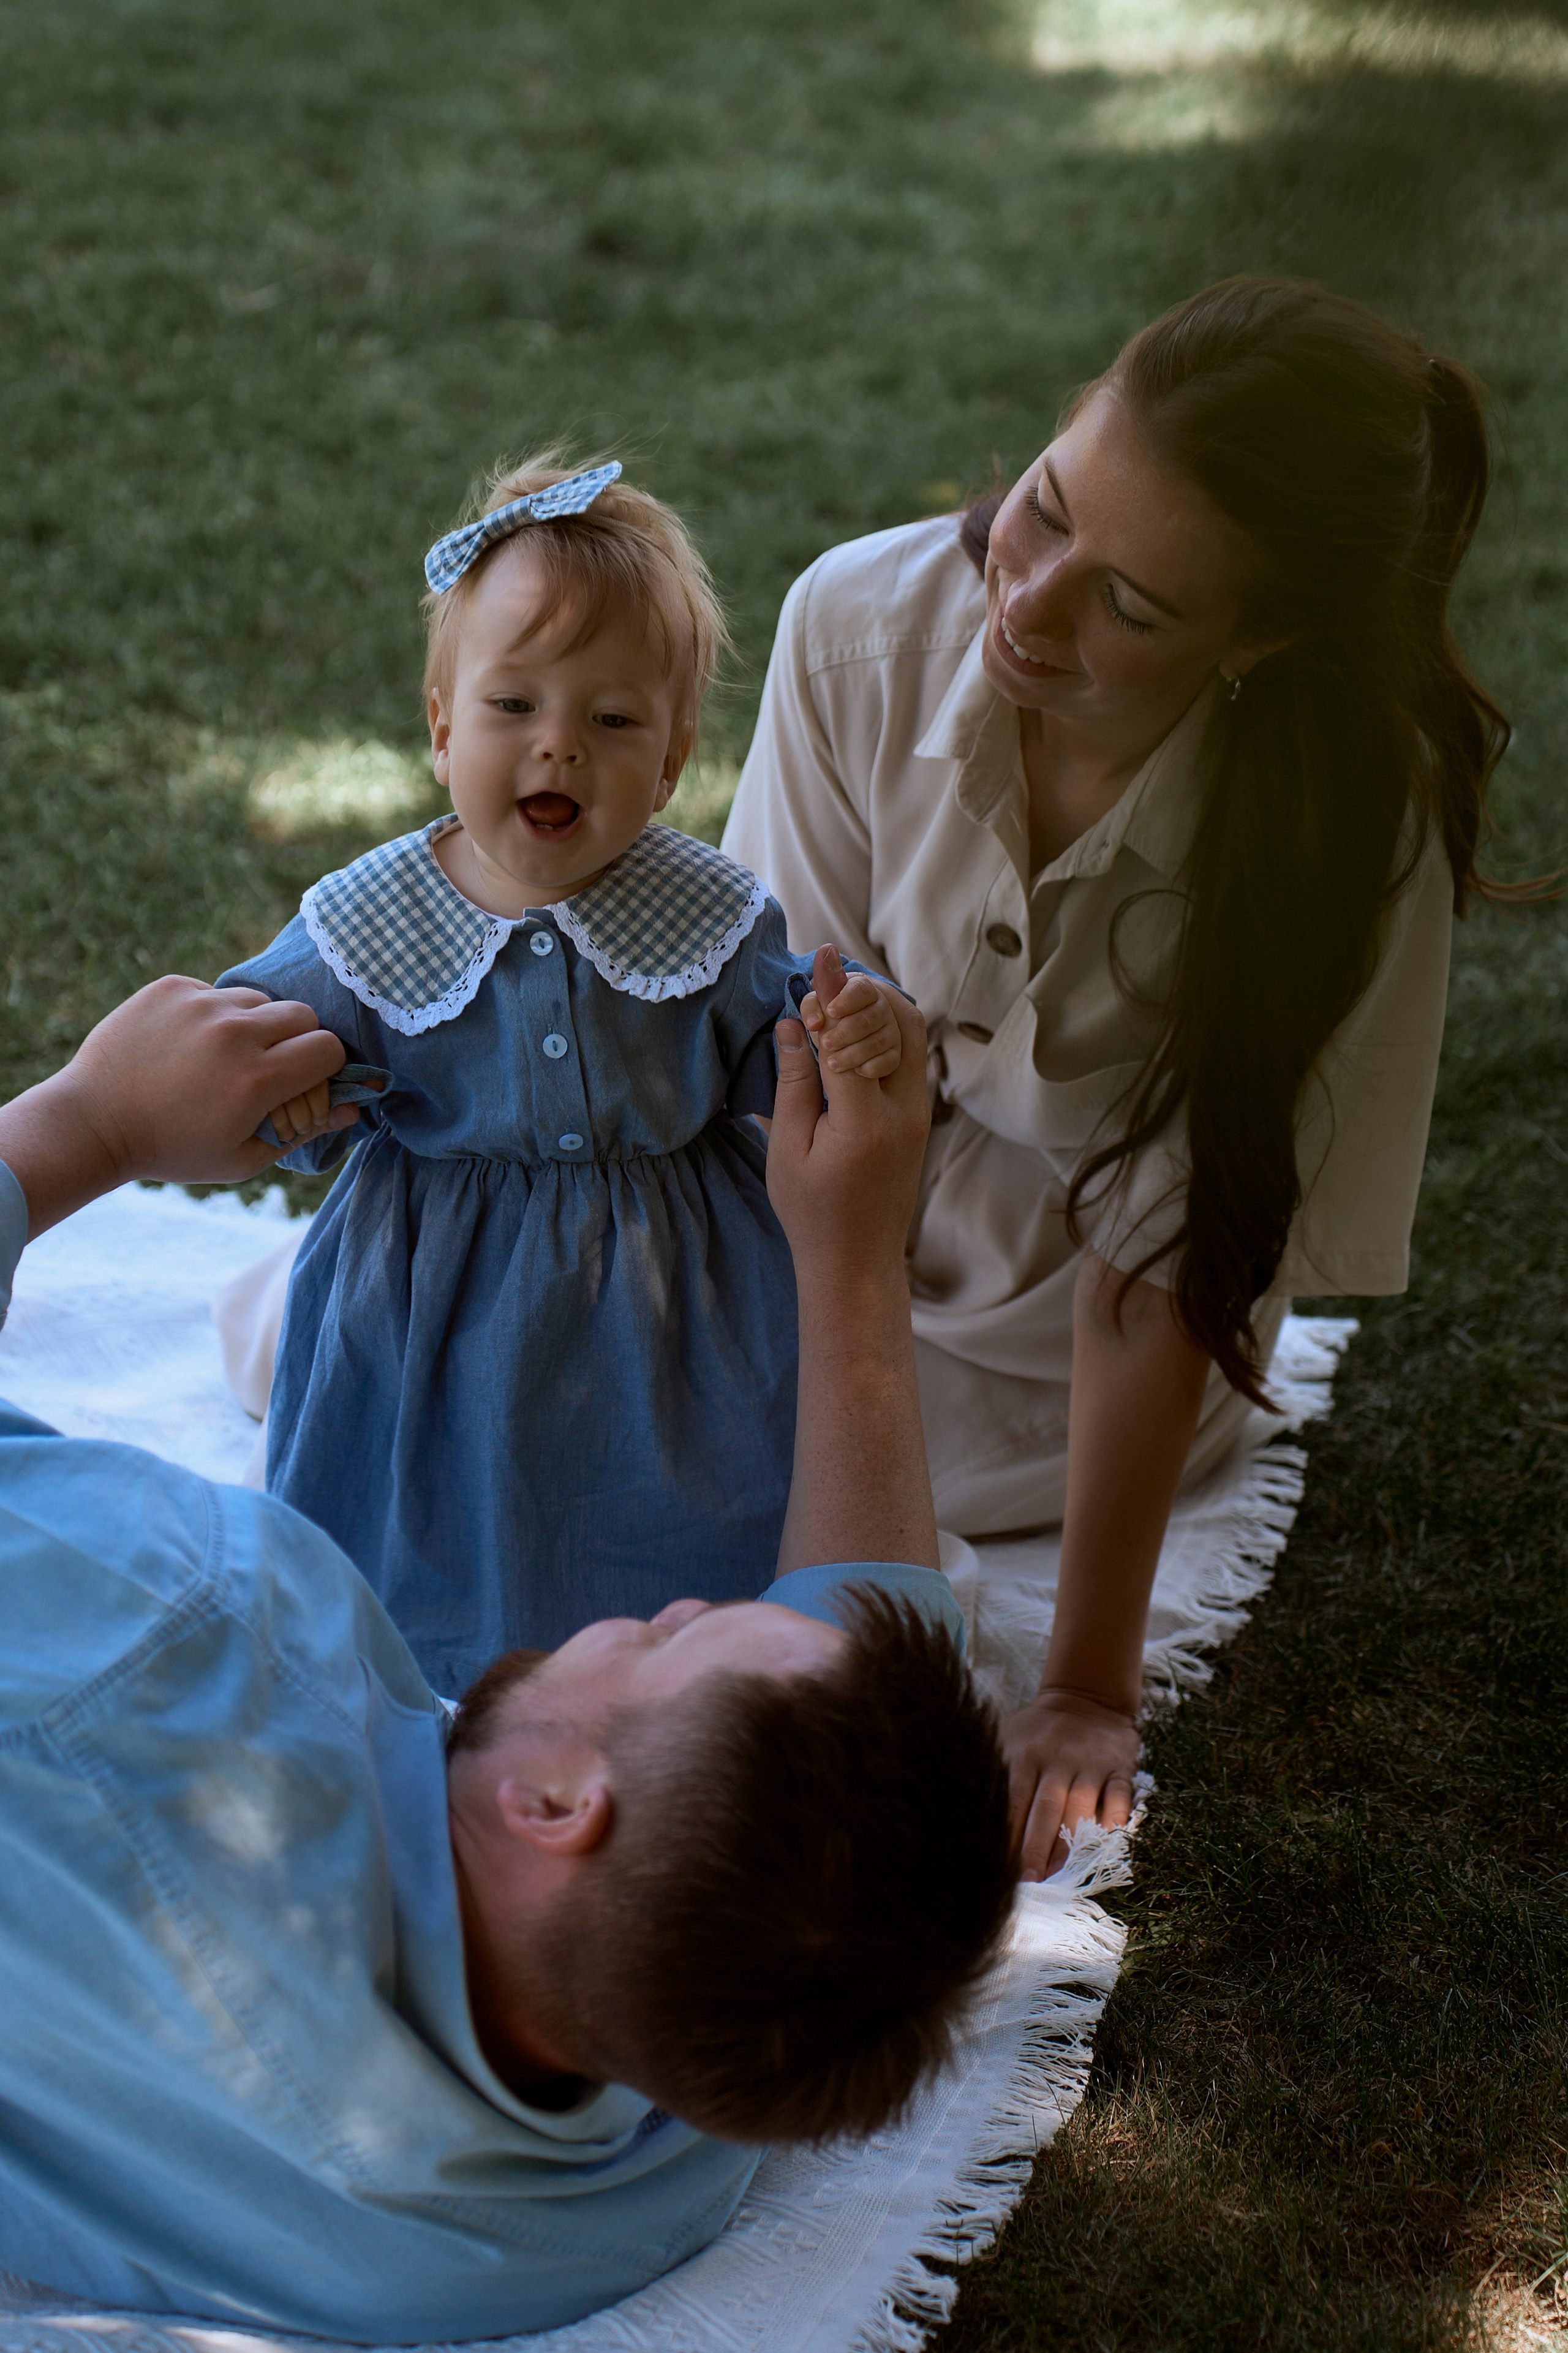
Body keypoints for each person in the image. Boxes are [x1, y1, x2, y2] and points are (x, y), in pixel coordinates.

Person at [0, 972, 1016, 2343]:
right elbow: (860, 1652)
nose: (649, 1609)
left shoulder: (175, 1643)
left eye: (665, 1634)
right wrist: (846, 1256)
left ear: (555, 1803)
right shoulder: (667, 2105)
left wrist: (93, 1123)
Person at [723, 274, 1515, 1878]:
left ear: (1263, 638)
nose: (1032, 602)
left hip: (1074, 1322)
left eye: (1133, 608)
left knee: (792, 1526)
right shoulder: (855, 625)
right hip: (829, 1200)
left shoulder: (1352, 821)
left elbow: (1163, 1262)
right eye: (1046, 506)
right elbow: (779, 1058)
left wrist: (1086, 1680)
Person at [216, 455, 903, 1698]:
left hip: (674, 1314)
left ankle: (677, 1677)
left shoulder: (706, 914)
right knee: (418, 1534)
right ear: (440, 728)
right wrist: (279, 1097)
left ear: (675, 750)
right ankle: (421, 1669)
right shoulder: (370, 920)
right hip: (434, 1314)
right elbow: (253, 1047)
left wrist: (855, 1033)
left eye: (612, 719)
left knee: (696, 1513)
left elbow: (777, 1036)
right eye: (513, 705)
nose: (558, 747)